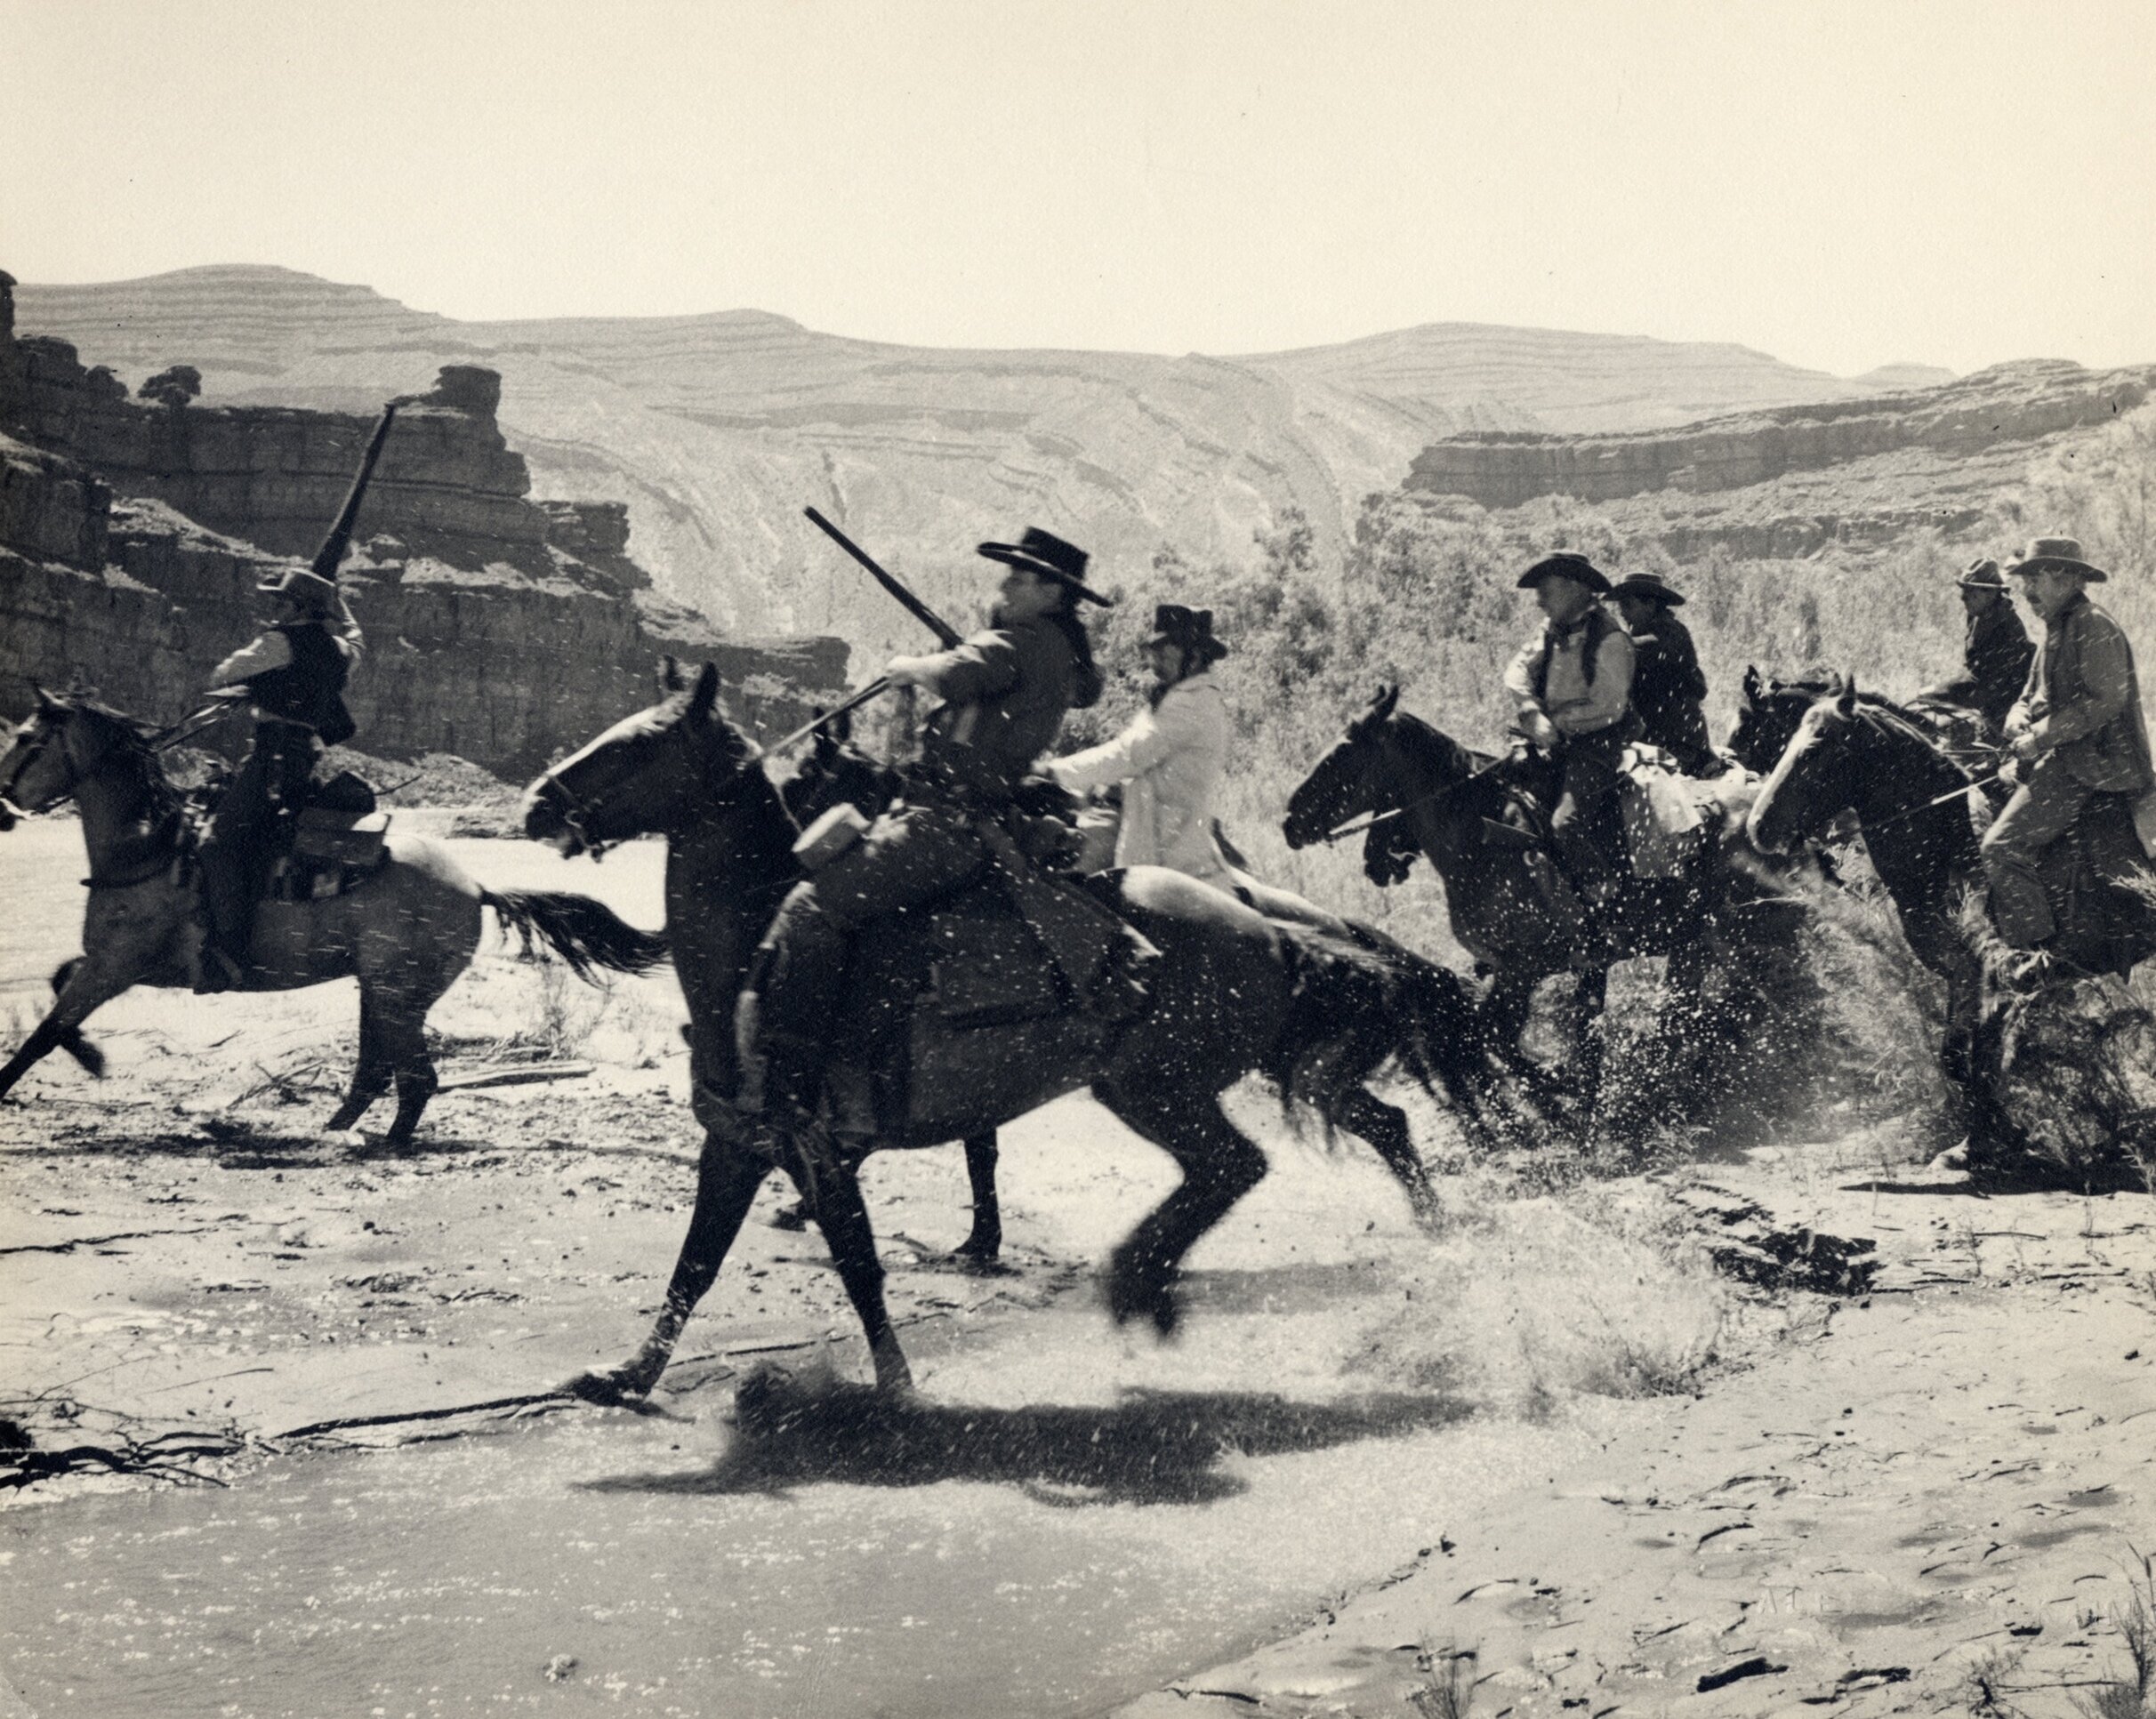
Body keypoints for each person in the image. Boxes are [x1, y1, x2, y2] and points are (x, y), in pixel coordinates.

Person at [738, 526, 1111, 1135]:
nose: (1005, 586)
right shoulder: (1049, 646)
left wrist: (909, 665)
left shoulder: (1024, 640)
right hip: (964, 819)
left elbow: (956, 675)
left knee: (811, 905)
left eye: (1018, 578)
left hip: (943, 824)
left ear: (1052, 590)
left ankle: (786, 1082)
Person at [1980, 535, 2154, 980]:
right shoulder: (2055, 630)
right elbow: (2027, 695)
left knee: (2000, 846)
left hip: (2095, 764)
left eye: (2033, 580)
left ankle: (2037, 954)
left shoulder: (2093, 625)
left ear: (2064, 578)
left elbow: (2106, 700)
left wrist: (2038, 738)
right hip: (2065, 756)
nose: (2026, 591)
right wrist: (2017, 719)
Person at [195, 565, 364, 991]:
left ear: (298, 606)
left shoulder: (276, 642)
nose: (274, 608)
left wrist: (261, 682)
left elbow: (223, 674)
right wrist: (338, 605)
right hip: (305, 758)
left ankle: (229, 950)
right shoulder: (340, 650)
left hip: (269, 759)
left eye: (281, 601)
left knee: (216, 843)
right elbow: (358, 641)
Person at [1048, 603, 1233, 886]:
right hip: (1158, 843)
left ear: (1194, 656)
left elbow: (1127, 755)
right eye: (1154, 649)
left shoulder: (1190, 704)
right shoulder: (1180, 697)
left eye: (1166, 648)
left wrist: (1053, 773)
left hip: (1173, 858)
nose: (1155, 658)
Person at [1502, 552, 1639, 908]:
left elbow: (1610, 707)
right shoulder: (1550, 630)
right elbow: (1516, 669)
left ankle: (1606, 906)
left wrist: (1558, 725)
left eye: (1546, 590)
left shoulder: (1610, 639)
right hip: (1553, 740)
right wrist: (1531, 710)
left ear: (1576, 588)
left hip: (1596, 746)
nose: (1539, 600)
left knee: (1566, 824)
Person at [1611, 572, 1717, 775]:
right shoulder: (1642, 636)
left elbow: (1650, 650)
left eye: (1628, 606)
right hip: (1655, 740)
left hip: (1680, 747)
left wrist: (1608, 646)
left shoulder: (1671, 633)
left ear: (1650, 605)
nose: (1623, 614)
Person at [1916, 558, 2036, 733]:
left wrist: (1940, 693)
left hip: (2008, 714)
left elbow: (1985, 685)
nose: (1963, 598)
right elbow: (1972, 668)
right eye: (1964, 591)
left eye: (1971, 592)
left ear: (1991, 594)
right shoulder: (1978, 615)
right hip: (1987, 705)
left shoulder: (2006, 629)